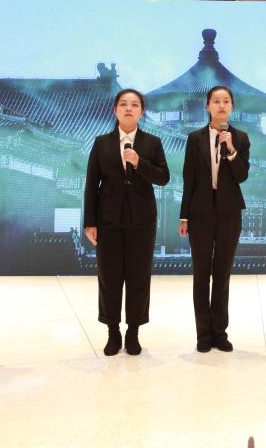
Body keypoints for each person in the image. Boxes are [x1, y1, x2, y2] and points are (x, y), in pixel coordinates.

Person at [83, 89, 170, 356]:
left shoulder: (153, 143)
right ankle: (113, 332)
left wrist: (139, 162)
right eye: (123, 104)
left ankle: (133, 332)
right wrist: (90, 222)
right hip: (108, 220)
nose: (128, 108)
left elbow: (163, 177)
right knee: (109, 277)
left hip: (142, 220)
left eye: (134, 105)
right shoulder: (101, 143)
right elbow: (91, 183)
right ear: (115, 110)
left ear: (142, 111)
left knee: (138, 276)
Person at [178, 86, 251, 353]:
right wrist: (184, 215)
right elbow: (188, 178)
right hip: (200, 213)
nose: (221, 105)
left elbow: (242, 175)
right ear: (207, 106)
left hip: (229, 213)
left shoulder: (240, 138)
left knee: (222, 275)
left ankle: (220, 333)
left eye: (226, 101)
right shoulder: (194, 138)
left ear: (232, 107)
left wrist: (230, 150)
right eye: (216, 101)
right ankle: (203, 334)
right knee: (201, 275)